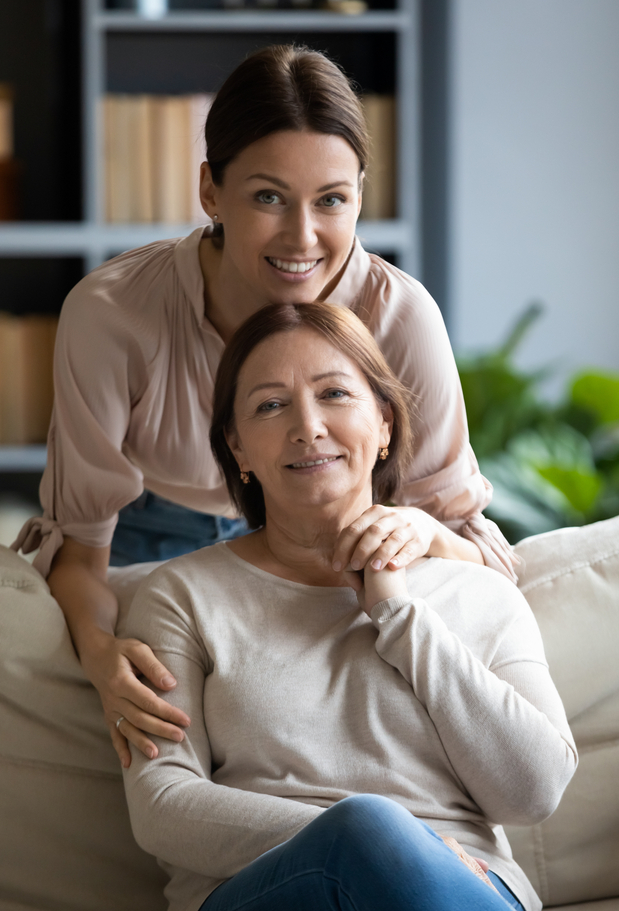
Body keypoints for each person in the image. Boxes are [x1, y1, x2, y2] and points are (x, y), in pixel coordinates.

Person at [12, 44, 517, 770]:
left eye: (331, 200)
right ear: (210, 192)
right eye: (268, 197)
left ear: (360, 195)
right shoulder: (113, 313)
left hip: (335, 539)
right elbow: (81, 550)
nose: (302, 238)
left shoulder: (399, 316)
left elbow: (473, 555)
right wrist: (99, 653)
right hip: (152, 536)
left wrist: (415, 530)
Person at [121, 301, 582, 911]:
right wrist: (385, 847)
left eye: (334, 393)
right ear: (238, 449)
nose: (307, 425)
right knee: (368, 828)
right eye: (270, 405)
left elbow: (534, 789)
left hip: (469, 894)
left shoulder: (475, 593)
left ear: (385, 423)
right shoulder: (182, 595)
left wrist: (398, 612)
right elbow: (162, 803)